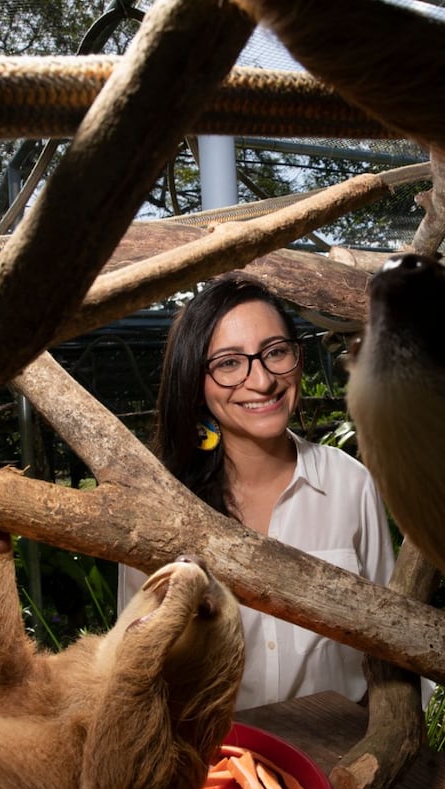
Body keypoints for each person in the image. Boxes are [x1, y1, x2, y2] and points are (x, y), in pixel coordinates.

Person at [119, 274, 397, 711]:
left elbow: (393, 637)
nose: (263, 380)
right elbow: (134, 663)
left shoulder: (350, 483)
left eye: (275, 352)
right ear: (196, 381)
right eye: (229, 362)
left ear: (297, 357)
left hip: (343, 757)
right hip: (214, 764)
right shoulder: (161, 506)